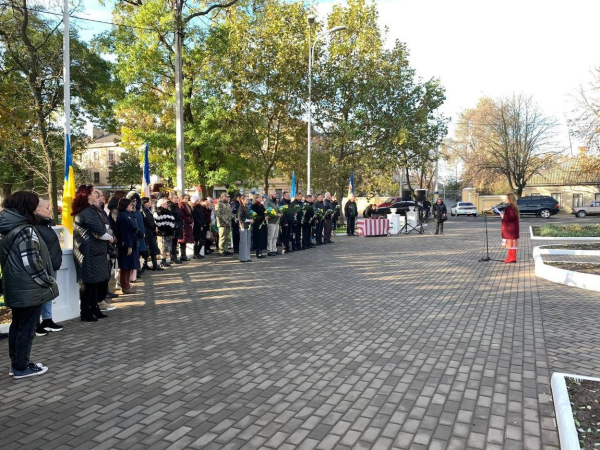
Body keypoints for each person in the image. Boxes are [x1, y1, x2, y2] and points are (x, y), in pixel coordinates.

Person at [0, 191, 58, 379]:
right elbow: (32, 262)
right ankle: (21, 366)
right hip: (29, 287)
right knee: (26, 328)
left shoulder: (10, 227)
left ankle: (18, 364)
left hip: (17, 286)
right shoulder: (25, 230)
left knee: (18, 326)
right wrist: (48, 281)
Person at [72, 185, 112, 321]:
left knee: (94, 283)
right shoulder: (87, 212)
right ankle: (86, 312)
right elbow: (99, 231)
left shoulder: (91, 210)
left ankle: (94, 308)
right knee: (88, 284)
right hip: (88, 252)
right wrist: (110, 237)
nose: (97, 195)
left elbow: (103, 226)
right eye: (94, 192)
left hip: (95, 251)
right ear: (87, 195)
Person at [34, 199, 64, 335]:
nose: (50, 210)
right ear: (37, 210)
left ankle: (47, 319)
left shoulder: (47, 224)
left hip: (52, 264)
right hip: (44, 266)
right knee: (41, 294)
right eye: (47, 208)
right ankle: (36, 324)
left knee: (49, 294)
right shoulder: (35, 227)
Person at [116, 198, 139, 294]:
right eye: (130, 205)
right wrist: (127, 245)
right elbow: (124, 232)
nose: (132, 206)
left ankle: (127, 284)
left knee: (129, 266)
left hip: (132, 242)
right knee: (125, 266)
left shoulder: (129, 215)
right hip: (126, 244)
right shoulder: (122, 217)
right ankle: (125, 286)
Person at [141, 197, 163, 271]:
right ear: (144, 203)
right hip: (148, 232)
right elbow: (147, 221)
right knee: (151, 248)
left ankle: (153, 264)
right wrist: (154, 227)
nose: (150, 203)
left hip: (151, 231)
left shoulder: (148, 210)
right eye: (148, 202)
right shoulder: (143, 211)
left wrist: (155, 226)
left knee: (152, 247)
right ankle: (151, 264)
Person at [154, 198, 176, 267]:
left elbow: (172, 220)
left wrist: (172, 228)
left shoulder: (168, 211)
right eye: (165, 204)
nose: (167, 205)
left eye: (166, 203)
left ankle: (165, 260)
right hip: (162, 233)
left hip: (169, 232)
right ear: (161, 204)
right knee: (162, 247)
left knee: (167, 247)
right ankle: (163, 261)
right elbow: (157, 222)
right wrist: (161, 230)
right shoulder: (158, 212)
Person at [500, 193, 520, 263]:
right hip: (510, 229)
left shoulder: (511, 207)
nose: (505, 199)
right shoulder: (511, 207)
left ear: (510, 199)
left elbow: (511, 217)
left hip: (511, 229)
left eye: (506, 198)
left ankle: (512, 258)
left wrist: (503, 216)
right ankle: (510, 257)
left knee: (512, 244)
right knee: (510, 244)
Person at [265, 191, 281, 256]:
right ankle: (270, 250)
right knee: (270, 236)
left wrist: (281, 212)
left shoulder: (276, 202)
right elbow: (268, 212)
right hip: (271, 222)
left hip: (277, 221)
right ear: (271, 195)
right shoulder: (268, 202)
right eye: (275, 194)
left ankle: (274, 249)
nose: (276, 195)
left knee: (275, 236)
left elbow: (278, 209)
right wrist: (277, 215)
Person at [238, 196, 253, 262]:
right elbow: (240, 218)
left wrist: (251, 220)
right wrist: (248, 220)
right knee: (243, 242)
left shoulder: (246, 207)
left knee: (247, 242)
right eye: (246, 199)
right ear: (242, 200)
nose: (248, 201)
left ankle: (247, 256)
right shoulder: (240, 208)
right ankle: (242, 257)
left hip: (247, 226)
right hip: (243, 226)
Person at [178, 194, 193, 261]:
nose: (187, 199)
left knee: (185, 240)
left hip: (188, 224)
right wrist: (189, 221)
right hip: (184, 224)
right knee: (183, 240)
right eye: (185, 198)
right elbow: (182, 215)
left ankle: (184, 255)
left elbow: (191, 214)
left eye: (187, 198)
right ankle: (182, 255)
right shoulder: (181, 205)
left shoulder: (187, 205)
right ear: (182, 198)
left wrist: (192, 220)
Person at [169, 193, 183, 264]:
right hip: (173, 227)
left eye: (177, 198)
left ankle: (174, 257)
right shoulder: (170, 206)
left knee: (175, 243)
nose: (176, 199)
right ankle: (173, 257)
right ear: (171, 199)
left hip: (178, 226)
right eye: (175, 198)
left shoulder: (176, 206)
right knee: (172, 243)